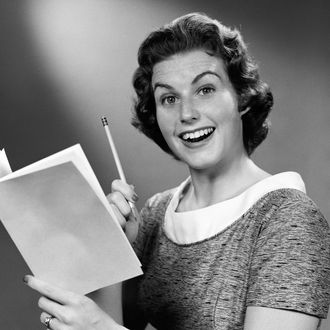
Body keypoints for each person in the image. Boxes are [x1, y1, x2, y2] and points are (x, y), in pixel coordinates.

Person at [24, 12, 330, 330]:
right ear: (155, 114)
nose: (186, 113)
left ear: (241, 97)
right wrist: (110, 251)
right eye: (169, 98)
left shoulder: (287, 216)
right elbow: (118, 323)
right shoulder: (155, 215)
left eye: (205, 90)